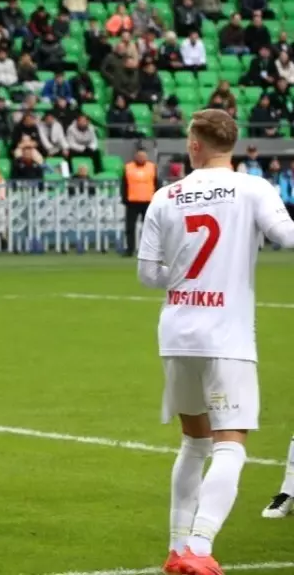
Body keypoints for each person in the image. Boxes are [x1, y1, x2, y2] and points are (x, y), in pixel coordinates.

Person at [136, 109, 294, 574]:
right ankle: (200, 549)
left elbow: (148, 274)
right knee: (230, 443)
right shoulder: (253, 188)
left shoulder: (167, 195)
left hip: (178, 332)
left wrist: (181, 276)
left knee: (193, 443)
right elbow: (286, 236)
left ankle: (177, 546)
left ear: (195, 144)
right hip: (226, 334)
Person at [123, 146, 158, 255]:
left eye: (143, 156)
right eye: (139, 156)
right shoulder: (128, 167)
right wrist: (124, 199)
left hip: (148, 201)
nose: (141, 158)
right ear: (135, 156)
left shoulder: (152, 167)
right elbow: (124, 184)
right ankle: (130, 249)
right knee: (130, 227)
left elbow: (157, 184)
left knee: (149, 228)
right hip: (132, 201)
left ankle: (149, 250)